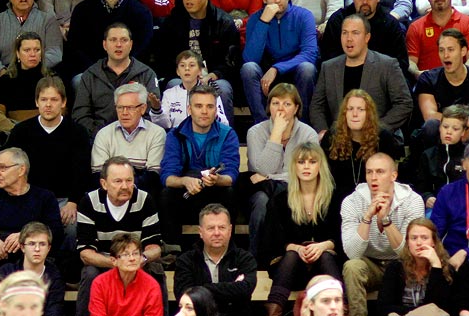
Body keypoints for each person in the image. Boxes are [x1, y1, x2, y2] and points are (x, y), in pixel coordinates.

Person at [5, 77, 90, 253]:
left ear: (64, 102)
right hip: (29, 198)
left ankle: (63, 273)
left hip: (64, 201)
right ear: (37, 102)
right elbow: (8, 167)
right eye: (43, 100)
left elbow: (82, 172)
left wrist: (73, 202)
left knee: (73, 228)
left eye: (54, 100)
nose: (48, 105)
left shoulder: (77, 132)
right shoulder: (21, 131)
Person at [0, 148, 63, 290]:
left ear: (21, 170)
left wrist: (25, 236)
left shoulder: (44, 197)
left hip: (27, 261)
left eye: (2, 168)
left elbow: (56, 233)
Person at [340, 153, 425, 316]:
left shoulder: (412, 201)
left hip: (401, 264)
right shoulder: (352, 201)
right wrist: (367, 217)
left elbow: (408, 253)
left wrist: (385, 220)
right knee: (351, 267)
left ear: (394, 175)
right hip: (370, 263)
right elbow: (352, 253)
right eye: (369, 172)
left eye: (380, 172)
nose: (373, 177)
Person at [75, 156, 162, 316]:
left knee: (155, 268)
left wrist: (139, 259)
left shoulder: (145, 200)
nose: (125, 186)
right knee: (89, 273)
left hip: (135, 260)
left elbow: (155, 248)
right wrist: (118, 263)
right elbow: (86, 254)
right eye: (118, 181)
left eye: (129, 181)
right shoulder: (89, 202)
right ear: (104, 184)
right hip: (104, 263)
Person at [263, 142, 342, 314]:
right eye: (301, 162)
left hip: (326, 268)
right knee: (291, 255)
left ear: (320, 165)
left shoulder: (335, 199)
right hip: (291, 270)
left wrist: (324, 246)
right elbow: (272, 240)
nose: (306, 166)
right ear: (294, 167)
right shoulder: (280, 200)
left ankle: (340, 309)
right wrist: (297, 248)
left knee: (326, 256)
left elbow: (343, 237)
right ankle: (273, 311)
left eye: (312, 161)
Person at [246, 83, 319, 262]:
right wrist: (276, 133)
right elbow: (262, 168)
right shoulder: (255, 132)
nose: (280, 109)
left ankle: (290, 256)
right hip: (264, 191)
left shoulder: (308, 134)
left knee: (292, 198)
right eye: (275, 103)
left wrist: (270, 177)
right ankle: (255, 260)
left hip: (298, 188)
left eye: (287, 104)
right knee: (262, 202)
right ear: (268, 106)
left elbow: (306, 173)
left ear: (296, 108)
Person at [160, 85, 240, 247]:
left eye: (209, 106)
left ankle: (228, 247)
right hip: (186, 194)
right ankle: (172, 249)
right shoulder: (175, 135)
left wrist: (217, 179)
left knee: (230, 193)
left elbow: (231, 175)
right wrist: (185, 181)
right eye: (199, 106)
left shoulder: (227, 134)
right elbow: (167, 176)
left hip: (214, 192)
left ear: (215, 110)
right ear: (189, 109)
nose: (204, 111)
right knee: (166, 194)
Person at [313, 13, 412, 134]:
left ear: (367, 37)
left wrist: (377, 128)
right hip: (338, 139)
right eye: (345, 33)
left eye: (355, 33)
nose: (349, 38)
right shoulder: (328, 67)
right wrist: (323, 132)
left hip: (376, 138)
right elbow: (316, 107)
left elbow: (404, 103)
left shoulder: (387, 65)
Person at [159, 0, 239, 116]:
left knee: (223, 89)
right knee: (172, 85)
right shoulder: (173, 22)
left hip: (212, 76)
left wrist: (213, 75)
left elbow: (230, 62)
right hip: (182, 76)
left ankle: (226, 137)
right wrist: (184, 75)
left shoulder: (223, 22)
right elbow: (165, 58)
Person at [242, 0, 319, 123]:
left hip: (294, 70)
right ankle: (263, 125)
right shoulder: (255, 19)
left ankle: (301, 125)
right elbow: (250, 58)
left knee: (307, 68)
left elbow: (310, 53)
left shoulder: (304, 16)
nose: (277, 0)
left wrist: (277, 68)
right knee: (248, 68)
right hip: (266, 74)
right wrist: (264, 21)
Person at [73, 22, 160, 139]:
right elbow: (80, 115)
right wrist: (101, 136)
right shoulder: (90, 75)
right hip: (98, 139)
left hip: (137, 139)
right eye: (113, 40)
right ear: (104, 45)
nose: (118, 44)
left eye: (124, 40)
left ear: (131, 44)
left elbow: (151, 115)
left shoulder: (147, 74)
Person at [68, 0, 154, 69]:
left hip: (130, 72)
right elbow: (75, 48)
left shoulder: (141, 13)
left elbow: (143, 50)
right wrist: (100, 72)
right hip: (91, 73)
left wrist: (122, 69)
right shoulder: (82, 10)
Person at [413, 29, 469, 145]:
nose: (445, 55)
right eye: (441, 50)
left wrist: (457, 142)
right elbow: (430, 115)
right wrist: (464, 120)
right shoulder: (428, 79)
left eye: (451, 50)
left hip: (467, 136)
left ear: (463, 51)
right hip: (439, 137)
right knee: (431, 126)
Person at [173, 204, 258, 316]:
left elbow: (245, 290)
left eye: (222, 227)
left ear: (230, 230)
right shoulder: (186, 261)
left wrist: (202, 288)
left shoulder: (245, 259)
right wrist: (231, 288)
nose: (217, 233)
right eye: (211, 228)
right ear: (200, 232)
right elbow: (184, 296)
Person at [323, 90, 405, 203]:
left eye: (360, 110)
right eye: (350, 109)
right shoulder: (331, 137)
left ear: (369, 114)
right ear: (344, 113)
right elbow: (324, 178)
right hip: (337, 200)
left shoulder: (383, 138)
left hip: (374, 198)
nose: (355, 114)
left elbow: (390, 179)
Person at [321, 0, 410, 77]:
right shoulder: (338, 21)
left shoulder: (390, 24)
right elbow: (328, 60)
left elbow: (401, 63)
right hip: (344, 77)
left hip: (381, 79)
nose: (364, 2)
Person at [90, 83, 167, 189]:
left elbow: (153, 176)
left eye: (130, 108)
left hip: (143, 193)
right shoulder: (104, 134)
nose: (124, 113)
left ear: (143, 108)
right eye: (120, 107)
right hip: (109, 194)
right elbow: (98, 175)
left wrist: (125, 187)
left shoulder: (157, 133)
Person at [378, 219, 455, 316]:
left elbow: (441, 308)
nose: (419, 243)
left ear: (433, 242)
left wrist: (436, 266)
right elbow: (383, 307)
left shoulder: (446, 270)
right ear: (408, 243)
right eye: (413, 238)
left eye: (424, 238)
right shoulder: (395, 268)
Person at [408, 0, 469, 77]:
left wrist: (459, 75)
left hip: (461, 82)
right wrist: (418, 74)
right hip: (429, 84)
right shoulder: (416, 27)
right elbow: (411, 62)